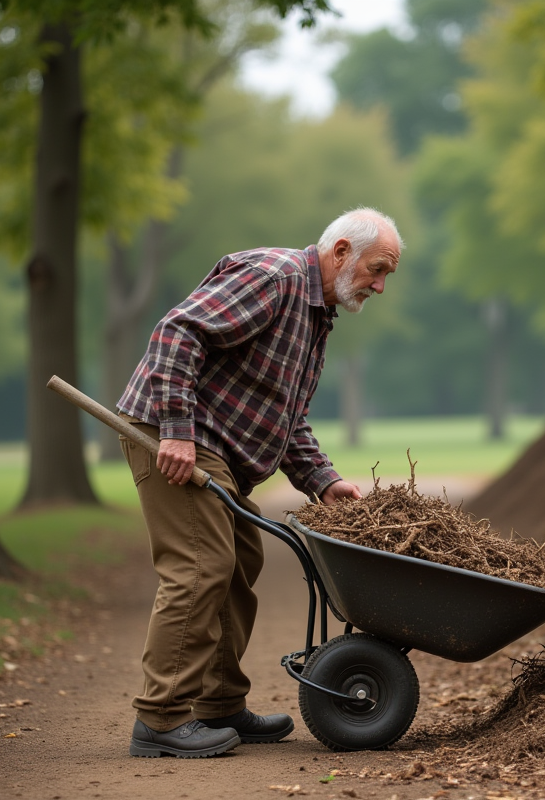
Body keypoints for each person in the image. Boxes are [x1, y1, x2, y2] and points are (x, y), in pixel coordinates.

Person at [115, 207, 402, 758]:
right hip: (175, 433)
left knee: (240, 560)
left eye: (388, 274)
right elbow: (178, 331)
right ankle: (161, 718)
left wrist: (323, 479)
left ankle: (218, 705)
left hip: (214, 444)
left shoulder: (316, 316)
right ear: (341, 251)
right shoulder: (274, 279)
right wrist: (176, 430)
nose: (382, 285)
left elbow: (285, 415)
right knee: (201, 566)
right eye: (378, 268)